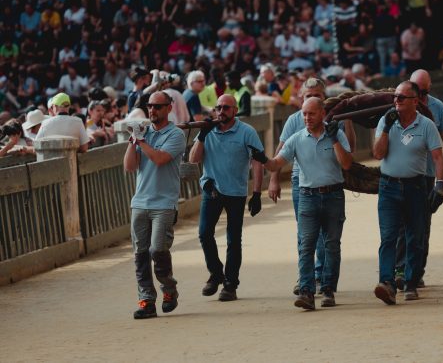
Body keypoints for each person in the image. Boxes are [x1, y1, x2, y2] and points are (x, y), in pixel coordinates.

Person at [252, 97, 353, 310]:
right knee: (306, 244)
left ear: (322, 113)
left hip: (333, 195)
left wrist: (334, 139)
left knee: (332, 244)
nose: (306, 118)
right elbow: (276, 163)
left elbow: (346, 163)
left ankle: (328, 289)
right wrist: (261, 157)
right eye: (304, 114)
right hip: (307, 196)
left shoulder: (336, 134)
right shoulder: (297, 138)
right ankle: (307, 291)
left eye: (311, 113)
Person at [372, 81, 443, 304]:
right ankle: (387, 282)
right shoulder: (386, 120)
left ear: (415, 101)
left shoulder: (426, 125)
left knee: (415, 236)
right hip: (388, 186)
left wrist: (440, 185)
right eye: (395, 96)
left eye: (402, 97)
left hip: (416, 186)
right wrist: (385, 128)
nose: (396, 100)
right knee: (388, 237)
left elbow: (437, 157)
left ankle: (411, 282)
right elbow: (377, 153)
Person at [189, 94, 264, 301]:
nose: (221, 112)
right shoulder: (208, 130)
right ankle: (215, 273)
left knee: (233, 239)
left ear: (235, 110)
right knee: (204, 233)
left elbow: (258, 161)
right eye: (218, 108)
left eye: (226, 108)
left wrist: (257, 193)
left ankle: (230, 283)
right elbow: (193, 159)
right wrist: (202, 135)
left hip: (236, 192)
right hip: (211, 189)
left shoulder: (246, 132)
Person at [123, 91, 187, 319]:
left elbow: (160, 159)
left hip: (164, 203)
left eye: (157, 106)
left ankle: (169, 289)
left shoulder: (176, 135)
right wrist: (133, 141)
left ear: (168, 108)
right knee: (140, 255)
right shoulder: (143, 134)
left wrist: (141, 140)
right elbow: (130, 166)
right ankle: (146, 300)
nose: (152, 110)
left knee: (158, 249)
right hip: (140, 201)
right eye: (149, 106)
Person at [393, 70, 443, 289]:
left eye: (424, 92)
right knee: (402, 225)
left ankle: (416, 270)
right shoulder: (397, 104)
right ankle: (400, 270)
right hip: (405, 174)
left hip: (429, 176)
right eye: (417, 91)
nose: (420, 97)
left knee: (422, 226)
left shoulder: (437, 108)